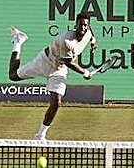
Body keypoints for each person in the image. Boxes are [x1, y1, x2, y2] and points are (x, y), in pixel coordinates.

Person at [7, 13, 100, 141]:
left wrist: (93, 41)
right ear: (75, 25)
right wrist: (85, 72)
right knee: (13, 76)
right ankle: (18, 41)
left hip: (59, 70)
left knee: (56, 102)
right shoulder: (66, 41)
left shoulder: (88, 32)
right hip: (45, 62)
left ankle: (40, 135)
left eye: (85, 25)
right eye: (80, 25)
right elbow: (68, 62)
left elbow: (90, 33)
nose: (83, 28)